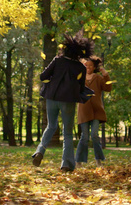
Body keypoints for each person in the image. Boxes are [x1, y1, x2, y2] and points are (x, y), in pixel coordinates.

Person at [32, 32, 94, 172]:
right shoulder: (81, 68)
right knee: (67, 133)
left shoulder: (57, 60)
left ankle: (40, 151)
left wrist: (53, 81)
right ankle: (66, 164)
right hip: (68, 101)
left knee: (51, 126)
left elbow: (43, 76)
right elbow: (80, 87)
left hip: (52, 98)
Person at [75, 56, 112, 167]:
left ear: (94, 67)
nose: (88, 67)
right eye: (86, 65)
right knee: (84, 137)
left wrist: (105, 75)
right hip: (83, 110)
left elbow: (108, 88)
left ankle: (98, 160)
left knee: (94, 135)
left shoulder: (98, 78)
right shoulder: (79, 78)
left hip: (97, 111)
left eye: (90, 65)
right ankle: (78, 161)